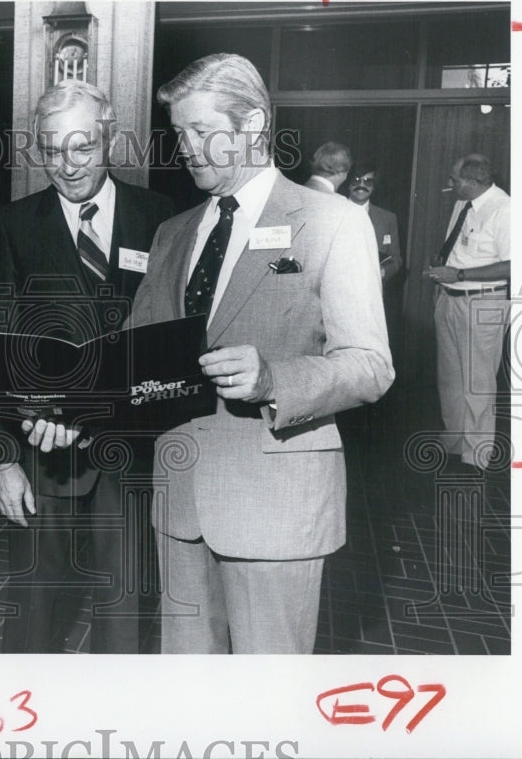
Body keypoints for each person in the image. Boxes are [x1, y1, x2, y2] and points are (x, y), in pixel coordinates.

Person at [128, 53, 394, 653]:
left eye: (202, 132)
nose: (186, 149)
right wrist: (67, 402)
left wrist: (275, 377)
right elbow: (138, 353)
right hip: (180, 504)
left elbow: (372, 366)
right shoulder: (174, 232)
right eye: (179, 134)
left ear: (252, 127)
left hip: (275, 507)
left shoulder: (332, 222)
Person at [0, 79, 174, 653]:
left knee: (125, 614)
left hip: (132, 455)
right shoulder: (12, 225)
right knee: (35, 615)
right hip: (43, 454)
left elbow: (170, 342)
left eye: (82, 147)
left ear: (110, 140)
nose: (67, 166)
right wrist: (2, 460)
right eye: (52, 149)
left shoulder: (162, 219)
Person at [424, 153, 510, 472]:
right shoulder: (463, 203)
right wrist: (443, 272)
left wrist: (460, 276)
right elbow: (457, 249)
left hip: (483, 302)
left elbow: (513, 264)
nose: (450, 184)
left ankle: (476, 454)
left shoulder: (505, 210)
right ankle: (456, 441)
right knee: (451, 377)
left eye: (454, 180)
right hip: (450, 298)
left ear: (473, 182)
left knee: (478, 380)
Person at [347, 162, 403, 283]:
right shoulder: (333, 213)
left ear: (374, 187)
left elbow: (396, 259)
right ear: (348, 184)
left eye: (368, 181)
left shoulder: (388, 219)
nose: (361, 185)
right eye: (356, 180)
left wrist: (383, 271)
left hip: (372, 290)